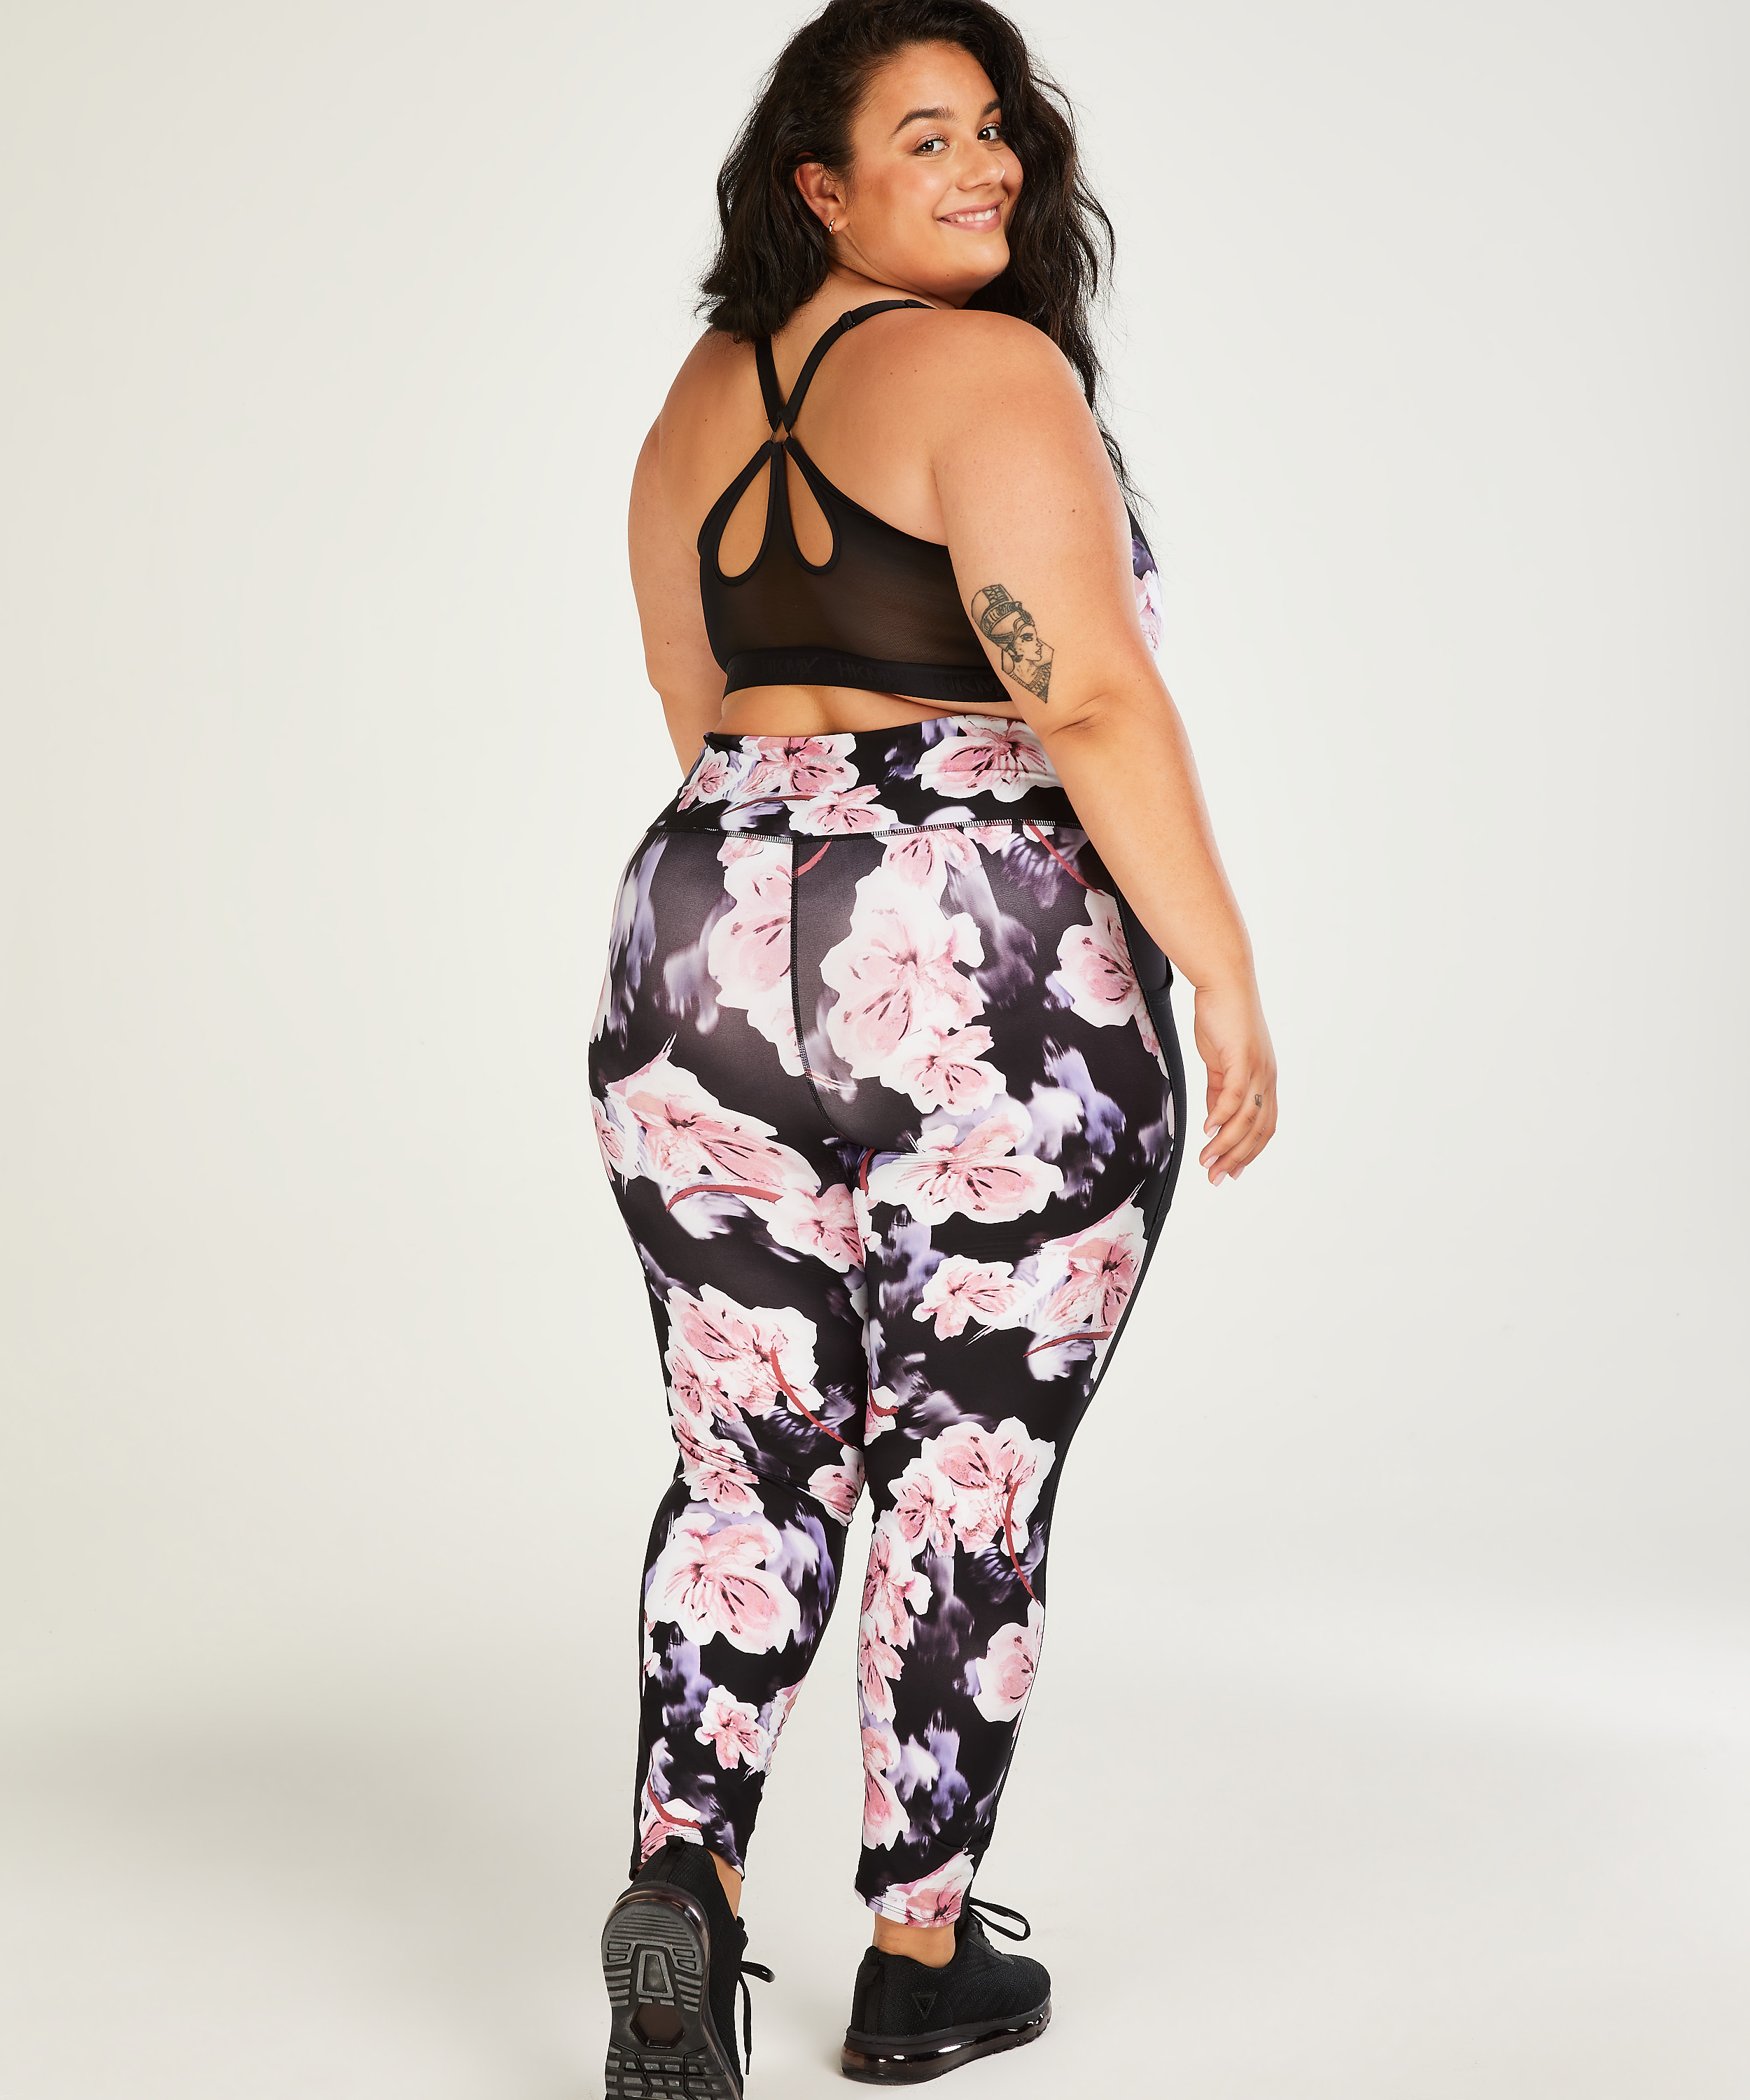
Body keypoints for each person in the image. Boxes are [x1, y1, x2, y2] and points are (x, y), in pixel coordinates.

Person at [587, 2, 1277, 2090]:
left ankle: (685, 1885)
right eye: (925, 137)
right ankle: (916, 1954)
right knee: (961, 1460)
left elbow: (692, 692)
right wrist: (1217, 968)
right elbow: (1088, 700)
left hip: (696, 932)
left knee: (746, 1450)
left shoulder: (701, 399)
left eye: (996, 129)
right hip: (982, 945)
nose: (987, 168)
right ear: (820, 186)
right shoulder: (990, 373)